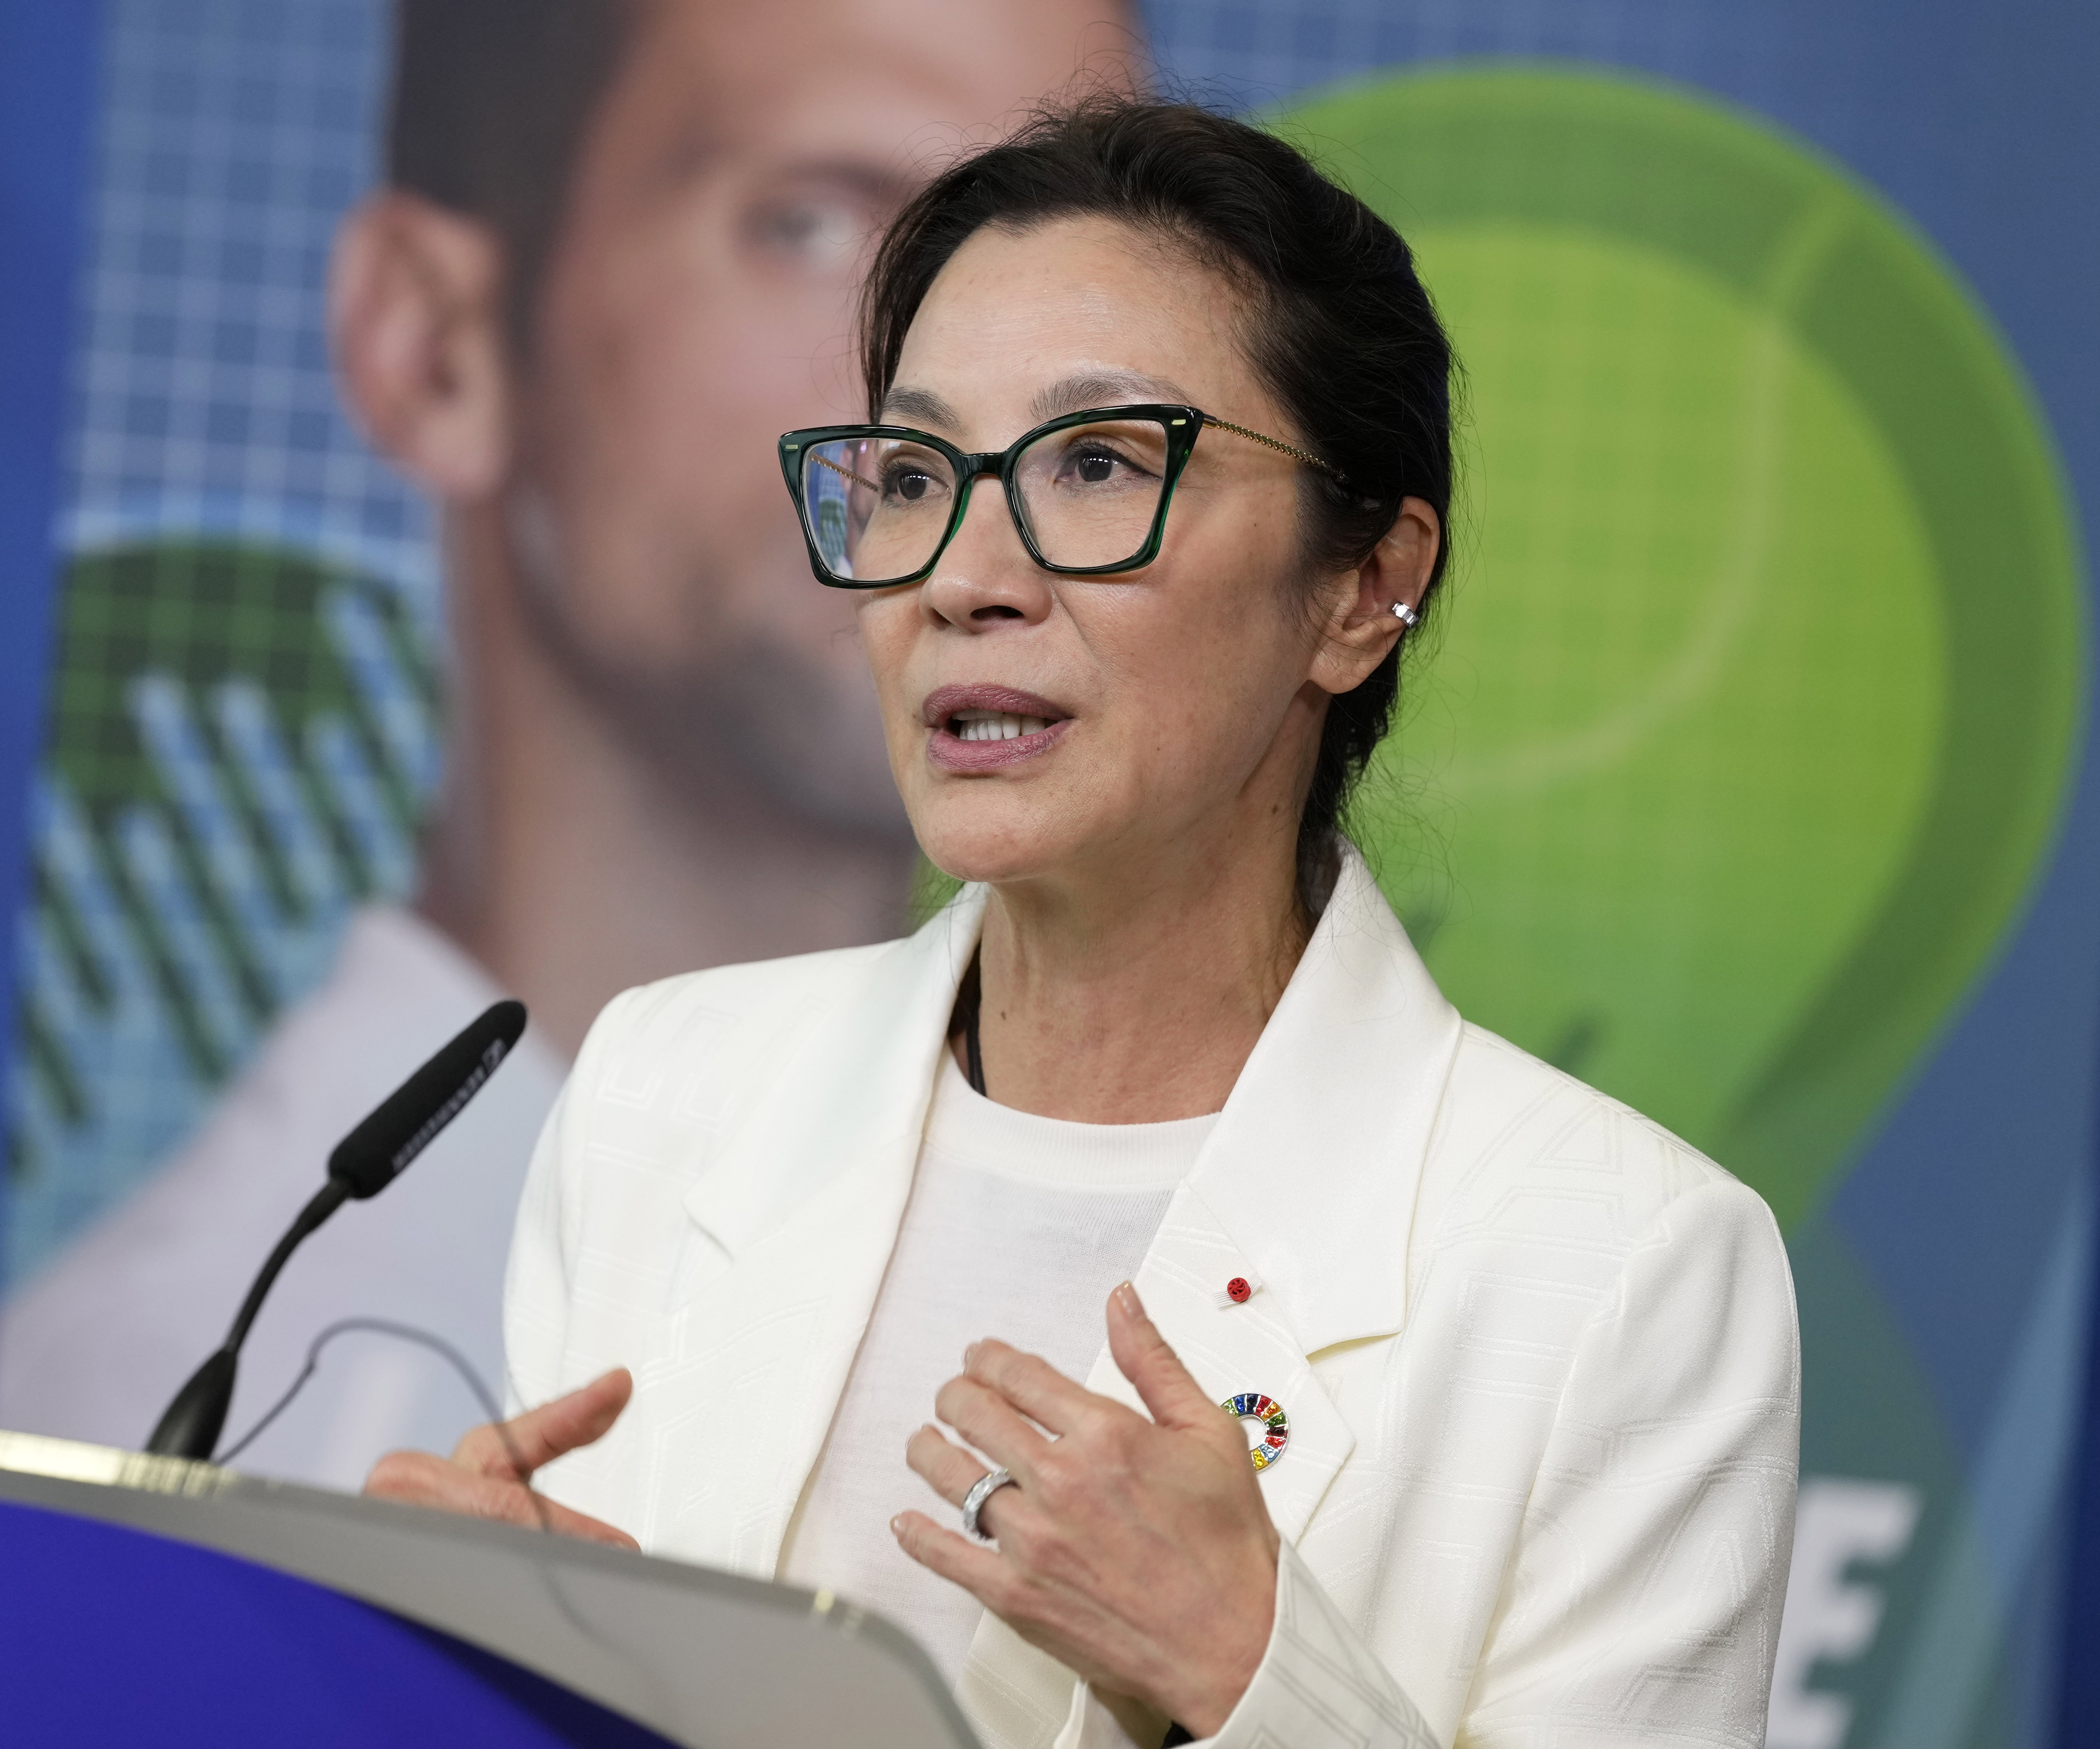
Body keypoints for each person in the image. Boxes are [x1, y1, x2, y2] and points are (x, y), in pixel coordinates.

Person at [369, 99, 1800, 1749]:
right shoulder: (668, 1089)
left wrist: (1254, 1675)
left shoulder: (1616, 1263)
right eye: (911, 475)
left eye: (1100, 464)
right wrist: (474, 1667)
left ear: (1361, 588)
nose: (964, 576)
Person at [0, 0, 1138, 1487]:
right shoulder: (188, 1402)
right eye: (806, 224)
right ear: (436, 346)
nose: (971, 407)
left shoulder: (1150, 1296)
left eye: (1070, 261)